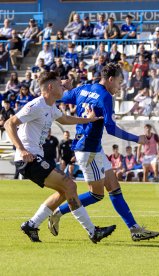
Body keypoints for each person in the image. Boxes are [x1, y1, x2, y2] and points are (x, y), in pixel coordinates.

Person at [48, 63, 159, 242]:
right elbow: (111, 129)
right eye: (118, 82)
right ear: (110, 79)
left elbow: (61, 97)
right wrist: (136, 139)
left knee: (114, 187)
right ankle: (58, 212)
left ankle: (134, 229)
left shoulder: (83, 88)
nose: (119, 86)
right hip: (88, 150)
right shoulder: (105, 97)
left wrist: (63, 86)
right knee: (96, 194)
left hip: (93, 149)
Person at [4, 71, 116, 243]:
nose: (62, 86)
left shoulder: (50, 106)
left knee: (65, 192)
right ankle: (93, 232)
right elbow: (9, 123)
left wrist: (89, 120)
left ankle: (32, 224)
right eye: (58, 83)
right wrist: (21, 149)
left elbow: (65, 119)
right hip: (28, 158)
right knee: (69, 185)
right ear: (50, 87)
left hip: (35, 158)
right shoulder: (36, 106)